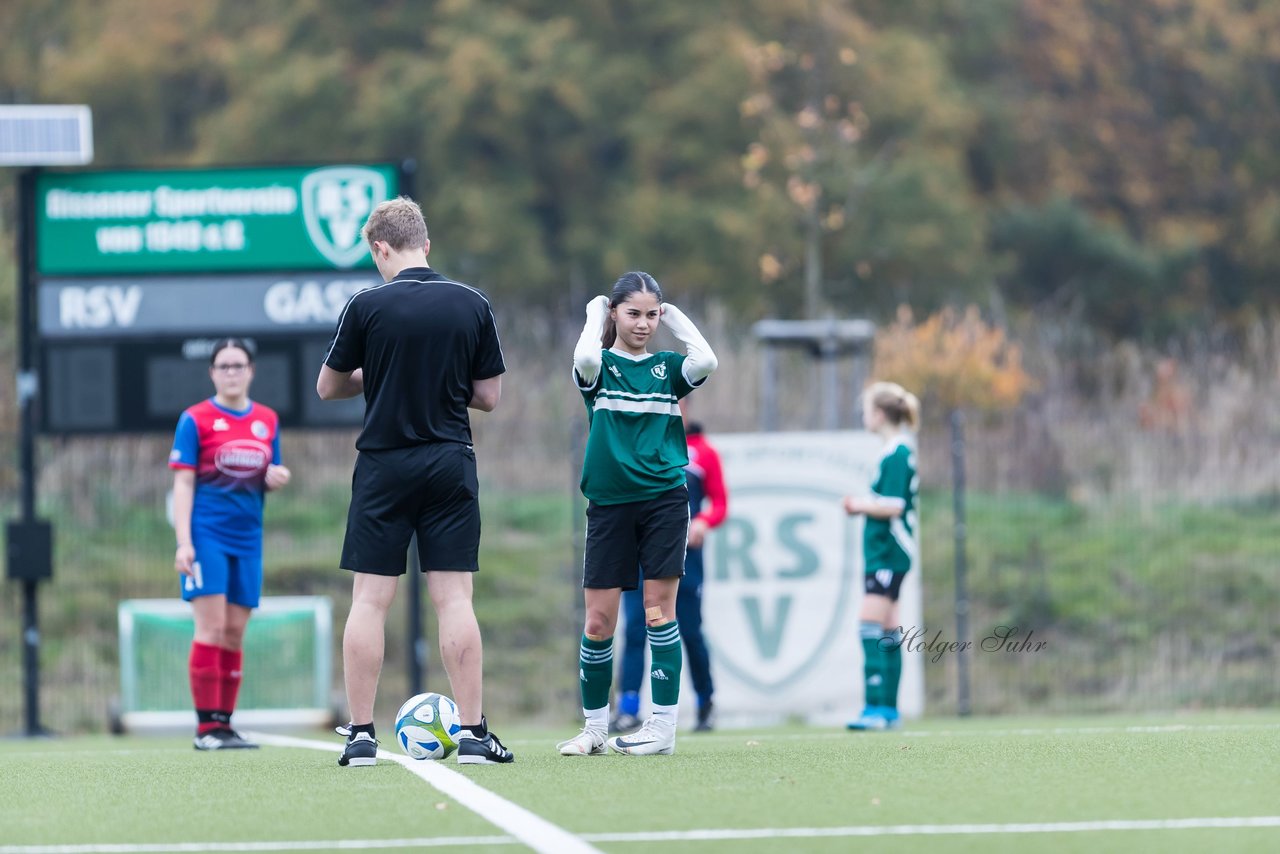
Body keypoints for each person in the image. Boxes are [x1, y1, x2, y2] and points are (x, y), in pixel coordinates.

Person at [317, 196, 513, 767]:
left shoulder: (366, 306)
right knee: (453, 597)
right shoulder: (471, 303)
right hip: (449, 458)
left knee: (370, 599)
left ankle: (359, 736)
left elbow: (329, 387)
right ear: (426, 244)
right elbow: (489, 397)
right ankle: (474, 733)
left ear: (382, 248)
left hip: (384, 464)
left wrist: (377, 374)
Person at [557, 272, 717, 758]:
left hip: (664, 503)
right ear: (615, 315)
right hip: (608, 507)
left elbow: (706, 359)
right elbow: (584, 356)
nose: (644, 323)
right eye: (634, 313)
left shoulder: (668, 368)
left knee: (657, 615)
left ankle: (662, 729)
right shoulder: (599, 367)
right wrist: (594, 309)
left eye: (652, 314)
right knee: (598, 623)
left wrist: (673, 316)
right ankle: (594, 729)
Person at [170, 337, 291, 750]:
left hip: (248, 539)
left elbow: (264, 473)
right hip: (207, 536)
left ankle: (224, 723)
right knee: (212, 626)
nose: (232, 373)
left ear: (251, 371)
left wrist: (274, 479)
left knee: (236, 630)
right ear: (212, 372)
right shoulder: (195, 419)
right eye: (224, 366)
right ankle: (206, 729)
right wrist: (184, 542)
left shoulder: (267, 420)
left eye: (239, 365)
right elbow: (183, 483)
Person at [612, 404, 728, 733]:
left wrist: (703, 523)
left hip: (685, 556)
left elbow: (720, 502)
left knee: (688, 630)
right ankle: (628, 707)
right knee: (635, 627)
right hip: (639, 553)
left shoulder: (703, 453)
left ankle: (706, 703)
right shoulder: (639, 443)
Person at [842, 381, 920, 731]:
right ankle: (889, 709)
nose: (863, 416)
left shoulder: (898, 453)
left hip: (889, 552)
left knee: (868, 626)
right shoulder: (892, 451)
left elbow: (893, 506)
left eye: (866, 410)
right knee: (888, 628)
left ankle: (875, 707)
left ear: (879, 414)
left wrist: (859, 505)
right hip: (884, 553)